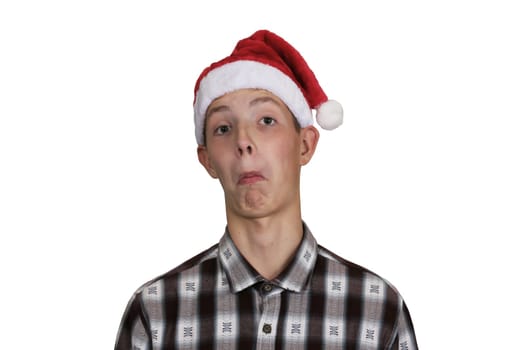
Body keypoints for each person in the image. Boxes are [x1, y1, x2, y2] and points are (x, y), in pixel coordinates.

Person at [114, 29, 419, 350]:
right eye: (223, 128)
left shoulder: (377, 310)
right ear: (207, 160)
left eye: (266, 121)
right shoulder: (157, 311)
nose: (243, 141)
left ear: (305, 144)